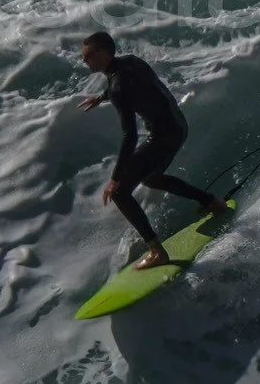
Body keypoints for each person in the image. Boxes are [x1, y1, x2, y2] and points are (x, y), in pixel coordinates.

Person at [78, 32, 228, 270]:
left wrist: (115, 179)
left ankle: (158, 252)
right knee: (152, 178)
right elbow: (128, 85)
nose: (84, 60)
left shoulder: (118, 86)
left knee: (120, 193)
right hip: (178, 125)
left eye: (88, 56)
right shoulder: (131, 62)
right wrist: (102, 96)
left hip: (162, 136)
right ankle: (212, 203)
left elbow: (130, 135)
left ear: (103, 54)